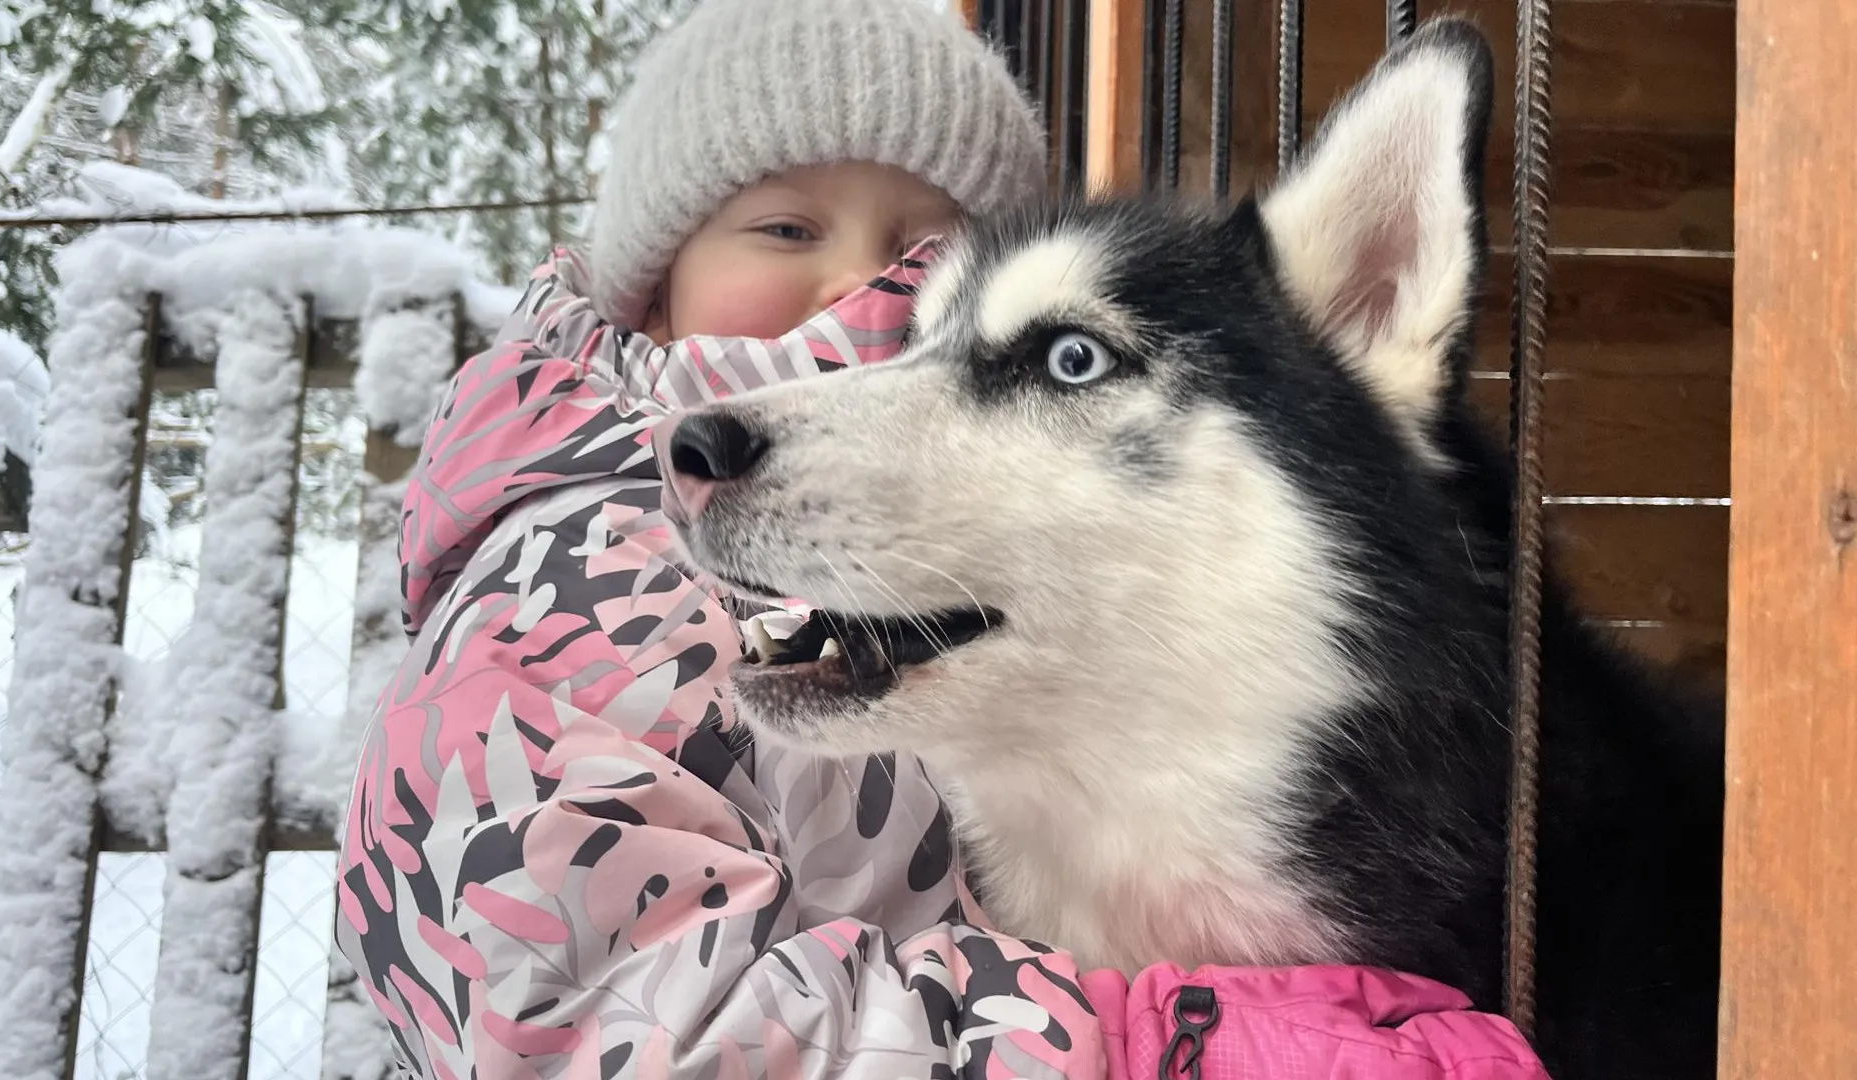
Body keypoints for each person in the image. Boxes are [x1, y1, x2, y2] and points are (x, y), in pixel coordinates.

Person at [333, 1, 1552, 1076]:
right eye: (787, 229)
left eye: (925, 252)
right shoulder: (560, 586)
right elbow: (603, 1014)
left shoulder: (911, 583)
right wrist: (1158, 1051)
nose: (861, 281)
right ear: (650, 286)